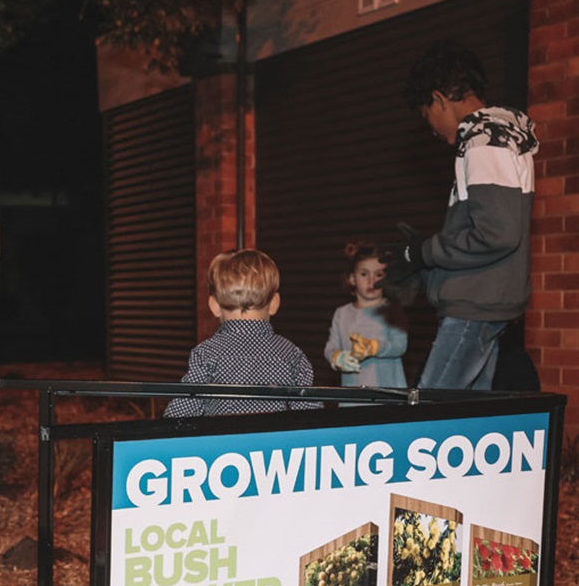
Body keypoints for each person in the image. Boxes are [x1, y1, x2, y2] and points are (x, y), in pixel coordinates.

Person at [380, 40, 538, 390]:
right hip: (485, 305)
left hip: (472, 309)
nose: (433, 131)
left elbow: (497, 233)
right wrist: (427, 268)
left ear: (439, 99)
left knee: (428, 418)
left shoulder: (485, 143)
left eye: (427, 117)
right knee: (467, 422)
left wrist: (424, 253)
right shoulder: (498, 138)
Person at [165, 249, 320, 417]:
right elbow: (311, 415)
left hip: (225, 441)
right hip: (272, 443)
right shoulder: (291, 354)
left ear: (214, 306)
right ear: (274, 303)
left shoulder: (206, 353)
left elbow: (180, 414)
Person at [325, 242, 408, 389]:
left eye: (379, 274)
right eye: (364, 274)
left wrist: (374, 347)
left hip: (387, 394)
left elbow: (400, 345)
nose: (372, 281)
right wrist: (337, 357)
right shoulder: (342, 313)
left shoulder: (391, 310)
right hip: (352, 395)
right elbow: (331, 347)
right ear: (352, 278)